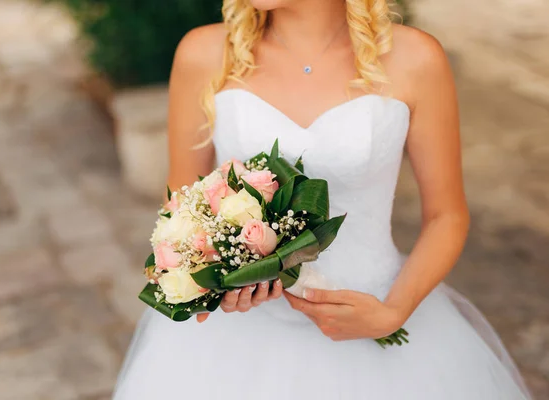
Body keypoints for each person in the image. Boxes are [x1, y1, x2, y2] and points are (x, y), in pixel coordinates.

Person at [112, 0, 533, 398]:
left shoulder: (415, 59)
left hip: (376, 310)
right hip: (237, 340)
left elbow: (447, 216)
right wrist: (217, 281)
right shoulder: (204, 53)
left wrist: (392, 312)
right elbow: (181, 206)